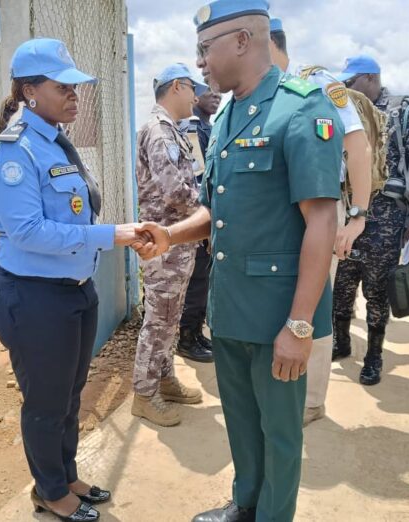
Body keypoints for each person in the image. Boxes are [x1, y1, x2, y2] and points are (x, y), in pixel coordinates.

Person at [136, 1, 344, 519]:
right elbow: (218, 208)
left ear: (244, 41)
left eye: (206, 49)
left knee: (278, 432)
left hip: (278, 312)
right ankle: (244, 504)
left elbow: (321, 220)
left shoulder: (302, 108)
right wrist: (170, 235)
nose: (200, 63)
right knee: (242, 423)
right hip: (231, 311)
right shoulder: (227, 112)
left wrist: (299, 325)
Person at [0, 38, 144, 522]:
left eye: (76, 86)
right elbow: (28, 231)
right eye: (62, 86)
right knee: (46, 402)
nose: (74, 95)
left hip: (75, 293)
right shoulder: (13, 152)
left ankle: (66, 475)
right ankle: (50, 491)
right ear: (29, 91)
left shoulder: (55, 140)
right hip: (34, 299)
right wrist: (112, 234)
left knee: (69, 395)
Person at [269, 16, 373, 425]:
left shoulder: (316, 82)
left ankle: (311, 400)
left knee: (315, 299)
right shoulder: (257, 92)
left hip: (323, 209)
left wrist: (359, 216)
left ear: (269, 44)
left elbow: (358, 145)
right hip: (281, 213)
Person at [333, 54, 409, 385]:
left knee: (377, 288)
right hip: (347, 211)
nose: (348, 88)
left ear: (369, 78)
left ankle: (374, 355)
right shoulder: (346, 109)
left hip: (386, 217)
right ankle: (342, 341)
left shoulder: (405, 110)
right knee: (341, 282)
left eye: (351, 82)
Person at [132, 63, 208, 427]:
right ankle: (144, 395)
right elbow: (176, 191)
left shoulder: (171, 131)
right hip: (165, 245)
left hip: (174, 243)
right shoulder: (160, 132)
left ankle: (164, 381)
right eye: (193, 89)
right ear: (176, 87)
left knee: (170, 317)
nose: (197, 97)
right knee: (159, 320)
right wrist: (210, 212)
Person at [177, 88, 222, 363]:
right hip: (198, 216)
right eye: (210, 92)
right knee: (196, 281)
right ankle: (186, 339)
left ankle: (195, 332)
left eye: (219, 93)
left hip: (207, 214)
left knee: (203, 279)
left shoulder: (208, 126)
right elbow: (198, 179)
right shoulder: (193, 129)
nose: (216, 96)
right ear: (195, 96)